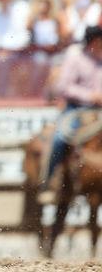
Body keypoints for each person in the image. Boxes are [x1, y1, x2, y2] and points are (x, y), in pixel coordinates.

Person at [39, 25, 102, 204]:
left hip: (99, 110)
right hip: (76, 109)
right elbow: (63, 87)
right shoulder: (75, 58)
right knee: (59, 139)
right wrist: (91, 95)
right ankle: (48, 182)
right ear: (94, 42)